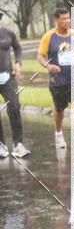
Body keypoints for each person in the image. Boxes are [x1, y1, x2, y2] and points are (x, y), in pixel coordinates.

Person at [37, 7, 74, 148]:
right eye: (63, 19)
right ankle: (59, 134)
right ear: (56, 20)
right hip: (58, 80)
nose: (67, 21)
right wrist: (49, 66)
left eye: (68, 18)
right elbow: (40, 56)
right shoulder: (49, 36)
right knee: (60, 110)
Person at [0, 11, 29, 158]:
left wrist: (18, 63)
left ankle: (18, 145)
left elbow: (17, 48)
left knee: (14, 107)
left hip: (7, 77)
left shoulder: (9, 33)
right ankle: (1, 145)